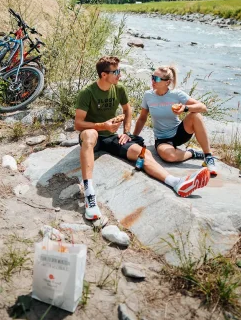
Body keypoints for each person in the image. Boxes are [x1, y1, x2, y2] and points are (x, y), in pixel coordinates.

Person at [74, 56, 210, 221]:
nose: (120, 75)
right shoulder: (87, 93)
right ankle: (90, 195)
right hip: (94, 134)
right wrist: (103, 125)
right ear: (104, 75)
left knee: (143, 153)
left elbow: (127, 110)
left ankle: (176, 182)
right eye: (116, 72)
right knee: (89, 134)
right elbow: (78, 124)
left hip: (113, 136)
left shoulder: (119, 89)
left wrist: (126, 132)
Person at [133, 65, 217, 176]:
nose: (153, 81)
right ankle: (191, 153)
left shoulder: (176, 94)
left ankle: (208, 157)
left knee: (195, 115)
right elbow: (142, 118)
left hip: (179, 132)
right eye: (152, 77)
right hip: (162, 139)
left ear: (167, 82)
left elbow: (203, 107)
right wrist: (134, 137)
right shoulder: (148, 95)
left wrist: (185, 108)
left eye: (157, 79)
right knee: (169, 157)